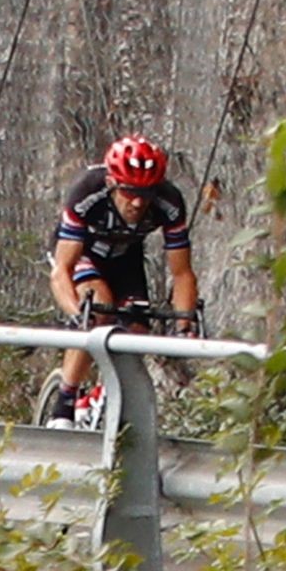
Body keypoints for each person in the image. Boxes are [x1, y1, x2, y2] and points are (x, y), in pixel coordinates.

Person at [49, 136, 203, 414]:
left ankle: (99, 397)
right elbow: (62, 271)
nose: (136, 202)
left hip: (125, 257)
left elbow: (182, 273)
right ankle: (64, 403)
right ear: (112, 183)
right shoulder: (87, 191)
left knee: (136, 333)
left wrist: (184, 326)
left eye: (146, 194)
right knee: (97, 309)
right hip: (82, 251)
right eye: (129, 191)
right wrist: (76, 315)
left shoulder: (169, 202)